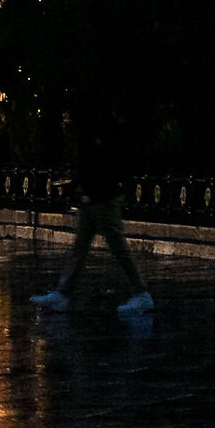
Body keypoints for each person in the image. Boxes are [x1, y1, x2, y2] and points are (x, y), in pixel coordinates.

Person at [32, 121, 153, 316]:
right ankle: (63, 293)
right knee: (82, 247)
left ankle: (141, 293)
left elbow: (102, 160)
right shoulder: (96, 125)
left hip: (103, 196)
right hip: (96, 195)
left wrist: (95, 189)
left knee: (115, 247)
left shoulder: (100, 127)